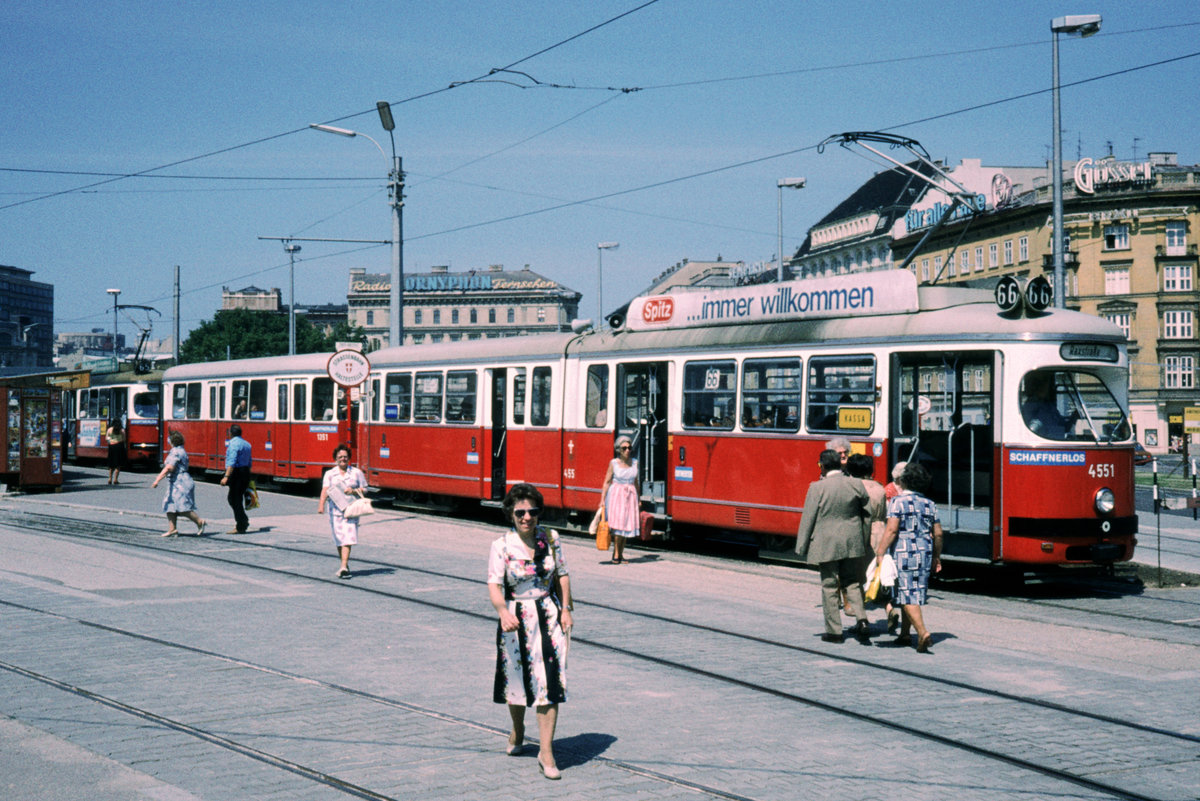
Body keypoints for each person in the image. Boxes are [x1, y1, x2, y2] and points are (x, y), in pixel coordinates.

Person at [487, 484, 573, 780]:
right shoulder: (501, 545)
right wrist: (502, 611)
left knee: (549, 683)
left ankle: (546, 751)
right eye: (520, 512)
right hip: (515, 617)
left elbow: (562, 574)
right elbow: (494, 585)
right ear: (510, 513)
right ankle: (519, 729)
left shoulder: (551, 538)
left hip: (548, 617)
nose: (527, 517)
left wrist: (567, 609)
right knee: (517, 681)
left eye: (532, 511)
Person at [795, 449, 871, 643]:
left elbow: (808, 518)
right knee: (852, 582)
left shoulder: (817, 488)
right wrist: (863, 540)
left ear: (824, 465)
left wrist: (801, 547)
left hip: (826, 542)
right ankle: (861, 619)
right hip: (851, 541)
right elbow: (866, 515)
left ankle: (835, 632)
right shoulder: (855, 484)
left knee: (829, 585)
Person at [876, 462, 944, 653]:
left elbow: (891, 530)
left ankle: (922, 633)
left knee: (907, 595)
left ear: (903, 481)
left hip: (903, 552)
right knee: (912, 591)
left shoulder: (898, 502)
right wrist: (936, 557)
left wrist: (880, 552)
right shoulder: (930, 504)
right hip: (924, 552)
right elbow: (938, 534)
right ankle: (905, 634)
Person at [847, 453, 897, 632]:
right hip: (880, 531)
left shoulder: (853, 486)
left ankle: (861, 620)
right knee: (878, 575)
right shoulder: (879, 487)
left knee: (858, 577)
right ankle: (889, 609)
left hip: (861, 531)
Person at [317, 443, 368, 579]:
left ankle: (344, 566)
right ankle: (344, 564)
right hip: (335, 510)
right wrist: (321, 504)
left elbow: (365, 489)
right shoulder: (330, 474)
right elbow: (325, 489)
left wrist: (354, 490)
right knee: (339, 539)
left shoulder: (357, 473)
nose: (343, 459)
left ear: (349, 458)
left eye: (345, 457)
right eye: (340, 457)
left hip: (351, 509)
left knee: (348, 538)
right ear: (335, 458)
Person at [151, 431, 206, 537]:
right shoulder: (180, 450)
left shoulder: (175, 451)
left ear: (172, 441)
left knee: (182, 507)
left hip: (181, 483)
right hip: (177, 482)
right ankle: (172, 529)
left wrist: (157, 479)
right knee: (169, 504)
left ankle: (199, 522)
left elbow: (170, 467)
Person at [599, 435, 640, 564]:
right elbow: (606, 482)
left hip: (631, 495)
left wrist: (639, 498)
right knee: (618, 525)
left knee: (626, 525)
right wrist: (602, 499)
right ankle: (616, 554)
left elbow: (636, 482)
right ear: (619, 450)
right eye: (624, 448)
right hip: (617, 495)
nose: (628, 450)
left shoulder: (634, 463)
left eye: (629, 448)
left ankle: (621, 554)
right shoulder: (614, 463)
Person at [1020, 371, 1076, 439]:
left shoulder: (1049, 406)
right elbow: (1031, 430)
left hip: (1057, 442)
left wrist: (1074, 417)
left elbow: (1065, 427)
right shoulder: (1030, 405)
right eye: (1043, 384)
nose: (1049, 388)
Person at [219, 424, 253, 534]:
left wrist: (226, 477)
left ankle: (241, 524)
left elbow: (231, 462)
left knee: (234, 499)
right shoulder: (247, 444)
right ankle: (242, 522)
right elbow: (249, 462)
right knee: (236, 498)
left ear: (230, 433)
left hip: (236, 473)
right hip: (245, 472)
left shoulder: (233, 444)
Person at [106, 420, 126, 485]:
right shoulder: (122, 430)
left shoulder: (109, 430)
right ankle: (115, 479)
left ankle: (109, 479)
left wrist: (110, 441)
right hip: (119, 446)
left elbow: (107, 438)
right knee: (118, 465)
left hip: (112, 447)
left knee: (111, 464)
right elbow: (124, 439)